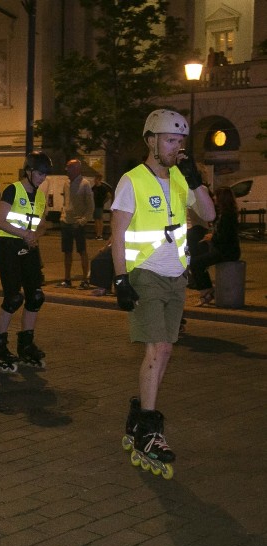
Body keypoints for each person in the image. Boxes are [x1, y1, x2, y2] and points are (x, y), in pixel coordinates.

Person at [111, 109, 215, 478]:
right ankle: (149, 431)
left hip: (176, 276)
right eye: (170, 140)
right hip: (147, 274)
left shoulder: (180, 179)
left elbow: (209, 214)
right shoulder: (132, 180)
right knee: (156, 348)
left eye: (180, 142)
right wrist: (121, 278)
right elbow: (119, 233)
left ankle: (139, 413)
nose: (176, 148)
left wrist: (196, 181)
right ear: (151, 140)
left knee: (167, 349)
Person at [0, 151, 52, 372]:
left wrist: (35, 236)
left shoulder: (41, 196)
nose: (42, 178)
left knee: (35, 296)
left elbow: (42, 224)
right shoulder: (13, 190)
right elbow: (0, 221)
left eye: (45, 175)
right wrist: (24, 234)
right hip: (9, 247)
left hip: (29, 246)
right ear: (29, 171)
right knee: (13, 298)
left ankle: (26, 345)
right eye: (40, 174)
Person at [189, 186, 240, 306]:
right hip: (225, 249)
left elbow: (224, 237)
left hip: (226, 252)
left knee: (195, 263)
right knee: (198, 259)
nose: (214, 199)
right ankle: (206, 291)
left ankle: (206, 292)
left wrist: (211, 238)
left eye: (216, 197)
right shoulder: (227, 213)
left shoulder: (227, 216)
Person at [55, 159, 94, 289]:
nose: (67, 170)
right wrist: (62, 215)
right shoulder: (66, 183)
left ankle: (85, 280)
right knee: (67, 252)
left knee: (82, 251)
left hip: (78, 224)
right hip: (66, 222)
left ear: (77, 169)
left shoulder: (85, 184)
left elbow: (90, 206)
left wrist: (83, 220)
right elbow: (66, 201)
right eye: (67, 167)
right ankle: (67, 279)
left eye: (70, 167)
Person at [92, 175, 113, 240]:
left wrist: (103, 202)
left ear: (99, 179)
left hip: (99, 205)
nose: (94, 180)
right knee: (96, 220)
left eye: (95, 179)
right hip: (95, 205)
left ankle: (100, 235)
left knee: (99, 220)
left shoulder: (103, 188)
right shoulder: (94, 187)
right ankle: (97, 234)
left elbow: (109, 195)